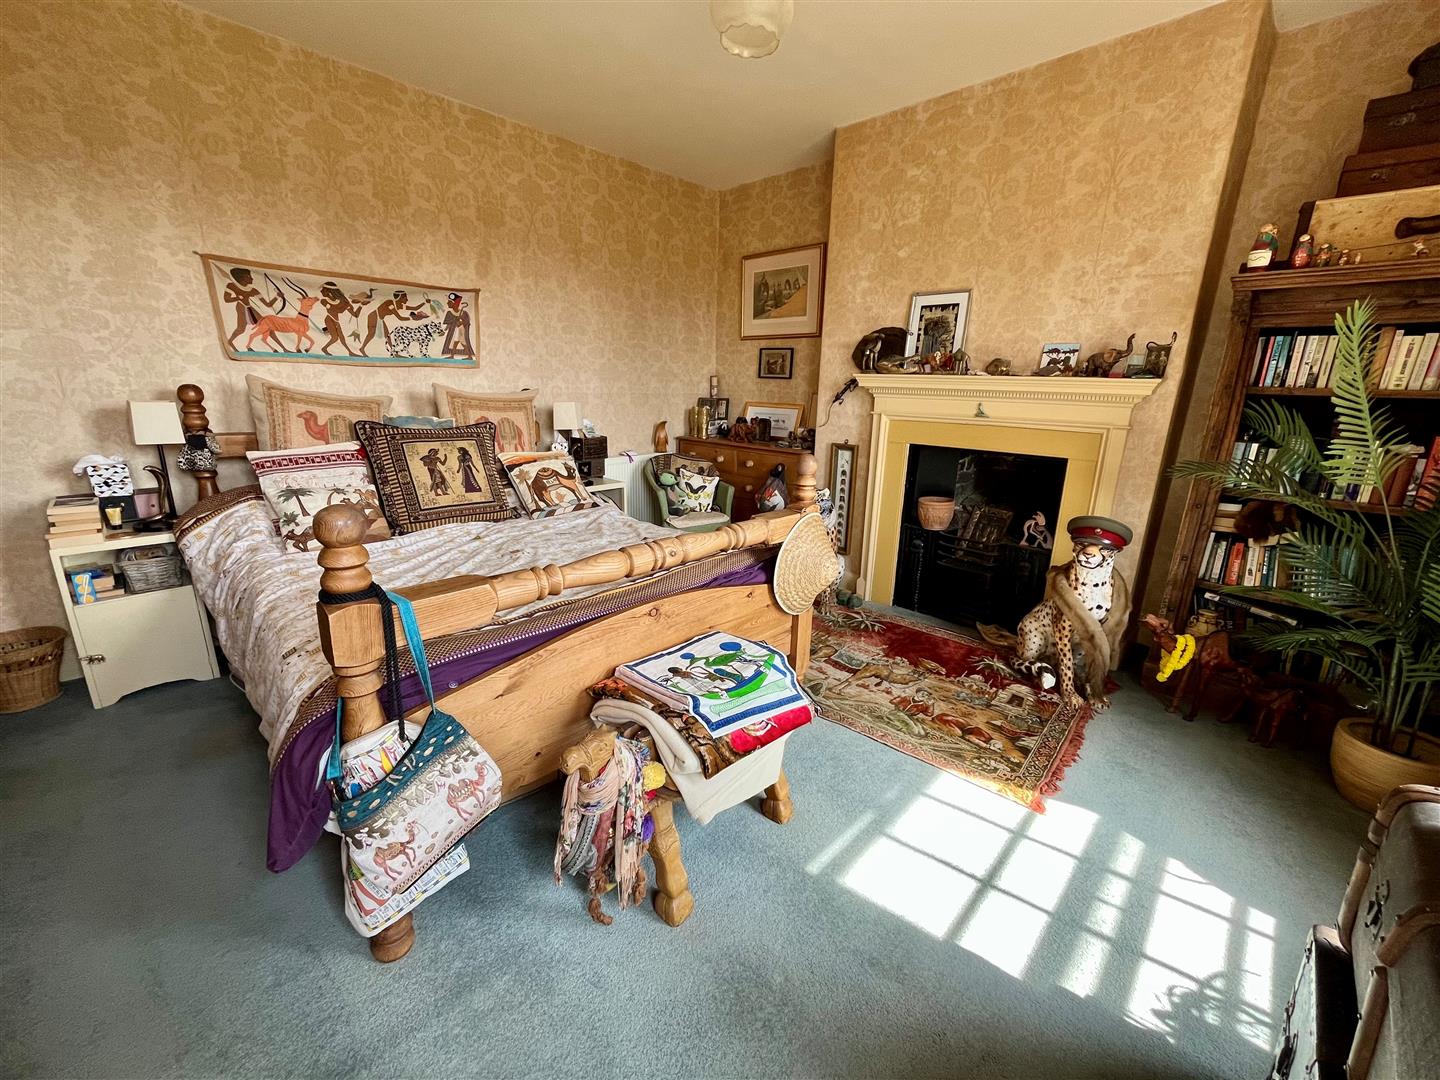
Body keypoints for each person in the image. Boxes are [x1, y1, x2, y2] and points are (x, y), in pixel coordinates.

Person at [222, 267, 279, 348]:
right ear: (242, 278)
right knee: (241, 329)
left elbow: (268, 304)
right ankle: (230, 341)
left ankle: (283, 348)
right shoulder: (232, 286)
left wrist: (277, 296)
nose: (252, 278)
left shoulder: (253, 290)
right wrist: (237, 298)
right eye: (249, 276)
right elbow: (226, 299)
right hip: (241, 307)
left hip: (249, 308)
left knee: (267, 326)